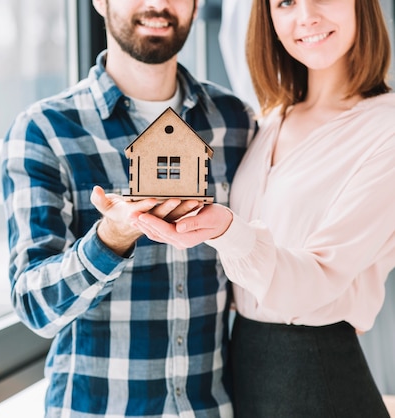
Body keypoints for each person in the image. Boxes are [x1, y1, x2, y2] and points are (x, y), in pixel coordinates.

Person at [129, 0, 395, 417]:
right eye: (284, 1)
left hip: (317, 378)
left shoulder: (387, 129)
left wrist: (226, 232)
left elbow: (318, 278)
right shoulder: (272, 119)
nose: (306, 14)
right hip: (247, 368)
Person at [1, 0, 256, 416]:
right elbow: (35, 307)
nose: (158, 4)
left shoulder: (235, 123)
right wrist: (109, 240)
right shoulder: (44, 130)